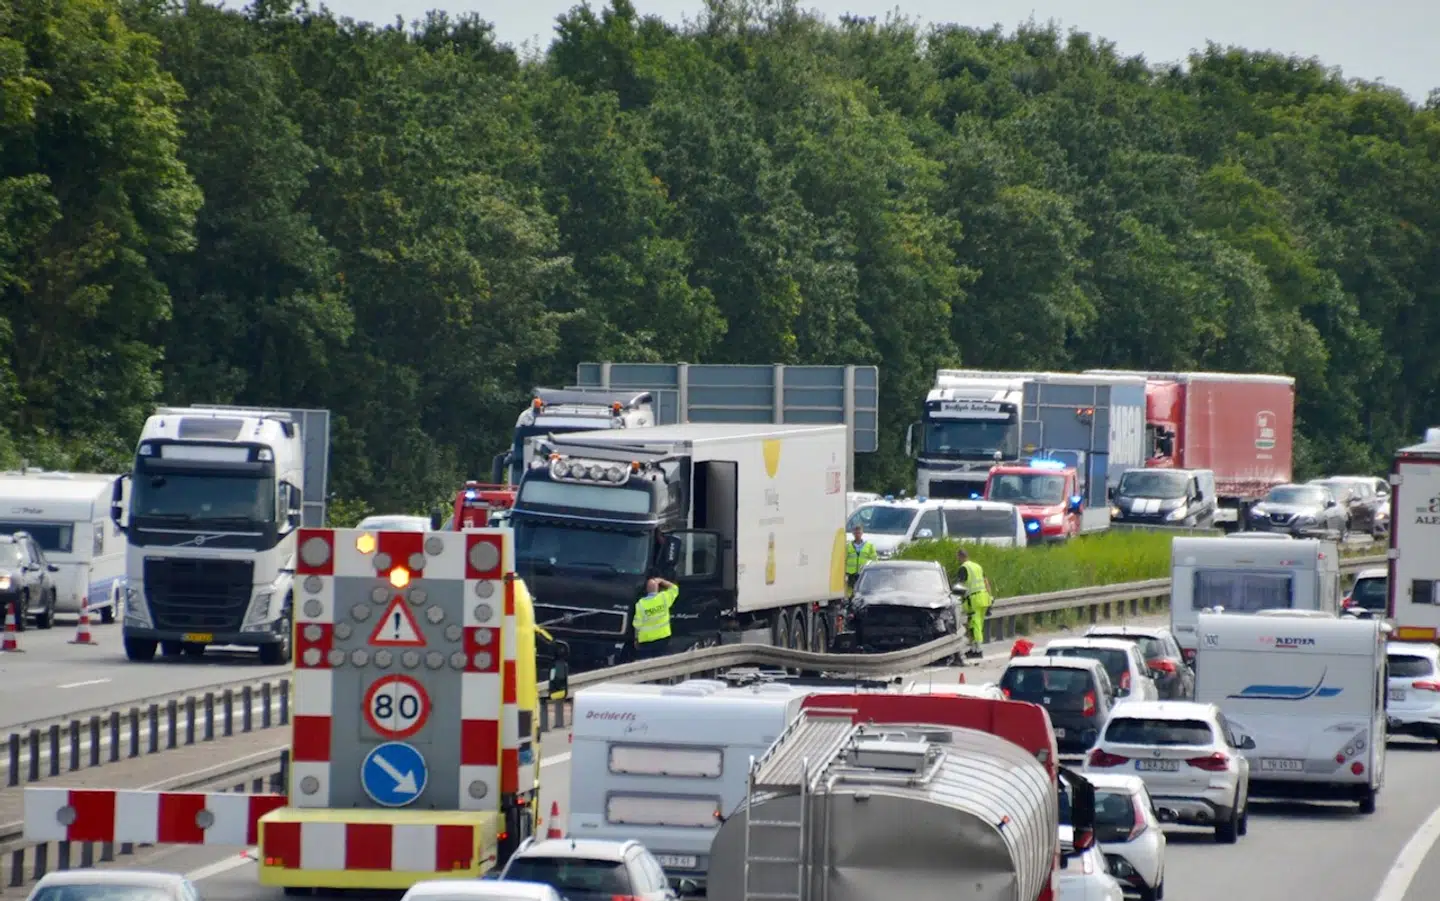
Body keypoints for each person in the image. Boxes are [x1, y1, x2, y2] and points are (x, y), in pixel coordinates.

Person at [955, 547, 994, 658]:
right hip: (984, 597)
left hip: (974, 600)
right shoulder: (977, 566)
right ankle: (975, 648)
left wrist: (955, 597)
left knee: (974, 623)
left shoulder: (963, 568)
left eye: (957, 557)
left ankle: (977, 650)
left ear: (960, 556)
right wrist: (990, 597)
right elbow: (986, 582)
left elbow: (960, 586)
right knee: (979, 623)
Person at [632, 576, 679, 659]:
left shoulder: (640, 604)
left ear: (647, 589)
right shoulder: (663, 598)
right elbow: (674, 588)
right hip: (663, 638)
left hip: (646, 640)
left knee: (646, 665)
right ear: (657, 588)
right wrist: (662, 581)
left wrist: (636, 639)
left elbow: (637, 625)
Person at [845, 525, 878, 592]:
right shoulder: (848, 546)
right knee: (850, 592)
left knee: (863, 591)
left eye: (859, 533)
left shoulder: (869, 546)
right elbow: (843, 560)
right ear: (853, 533)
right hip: (851, 574)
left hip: (864, 574)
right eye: (856, 533)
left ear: (862, 533)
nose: (857, 535)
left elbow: (874, 560)